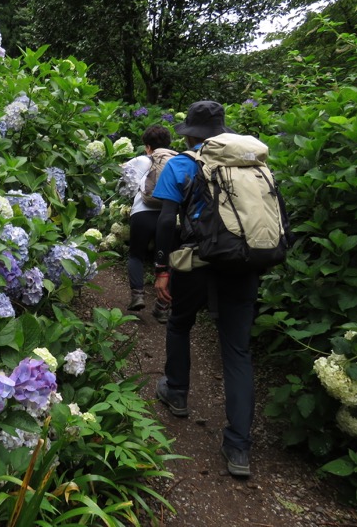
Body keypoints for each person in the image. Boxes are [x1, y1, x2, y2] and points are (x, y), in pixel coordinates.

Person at [151, 100, 259, 478]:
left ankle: (177, 392)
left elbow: (166, 221)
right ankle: (239, 448)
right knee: (237, 350)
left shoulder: (180, 164)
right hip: (244, 263)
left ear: (191, 133)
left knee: (180, 322)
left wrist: (162, 268)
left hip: (196, 262)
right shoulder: (250, 163)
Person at [118, 125, 173, 320]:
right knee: (167, 259)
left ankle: (138, 296)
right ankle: (162, 307)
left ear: (147, 146)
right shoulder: (177, 160)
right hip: (169, 214)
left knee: (136, 255)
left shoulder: (142, 159)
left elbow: (122, 180)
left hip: (142, 212)